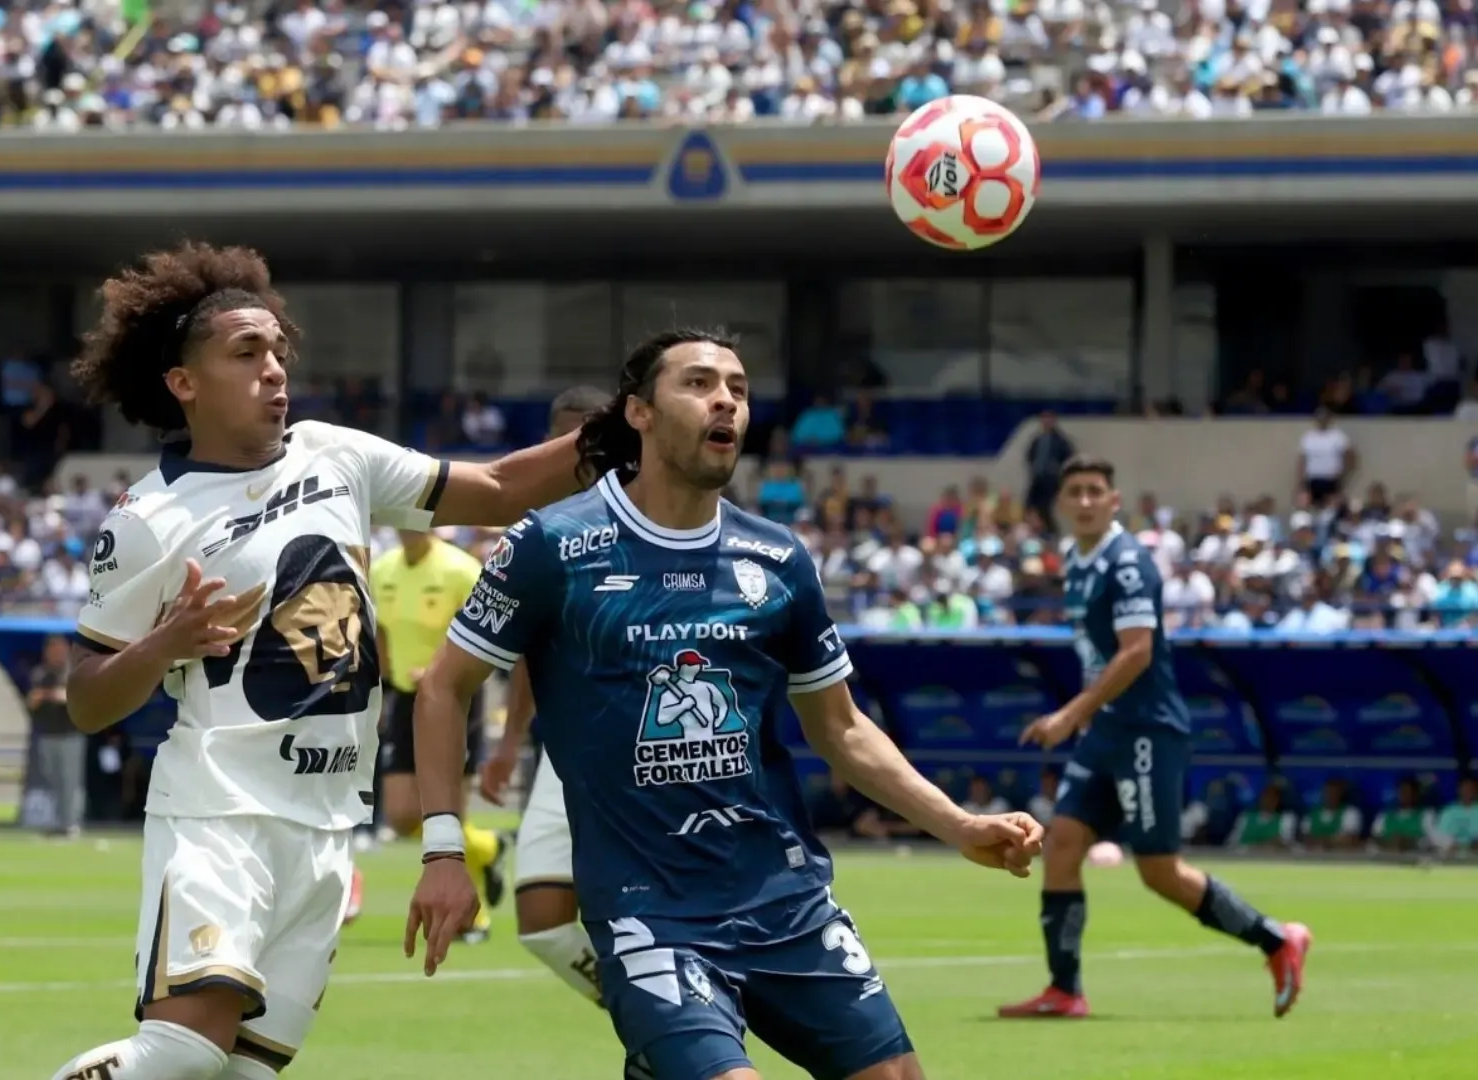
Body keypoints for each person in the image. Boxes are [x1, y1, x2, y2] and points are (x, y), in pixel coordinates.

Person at [407, 329, 1044, 1080]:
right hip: (650, 909)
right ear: (639, 413)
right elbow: (444, 687)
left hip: (785, 898)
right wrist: (444, 851)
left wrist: (959, 823)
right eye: (701, 383)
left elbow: (839, 727)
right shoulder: (553, 545)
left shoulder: (776, 557)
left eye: (738, 390)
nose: (726, 403)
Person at [47, 242, 586, 1080]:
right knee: (183, 1052)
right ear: (183, 384)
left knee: (243, 1073)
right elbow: (84, 699)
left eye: (277, 352)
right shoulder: (149, 520)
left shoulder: (336, 453)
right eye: (245, 353)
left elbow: (504, 488)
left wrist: (633, 423)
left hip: (331, 824)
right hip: (221, 815)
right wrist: (166, 643)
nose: (273, 370)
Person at [998, 455, 1313, 1021]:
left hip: (1147, 730)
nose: (1087, 500)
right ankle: (1065, 990)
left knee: (1159, 871)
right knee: (1063, 843)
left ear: (1114, 501)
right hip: (1109, 728)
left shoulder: (1126, 563)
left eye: (1097, 490)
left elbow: (1137, 650)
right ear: (1063, 504)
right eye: (1076, 491)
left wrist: (1071, 714)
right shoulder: (1076, 560)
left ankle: (1278, 939)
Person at [475, 384, 612, 1006]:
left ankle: (684, 1041)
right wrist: (508, 743)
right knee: (546, 927)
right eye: (566, 440)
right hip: (564, 748)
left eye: (590, 438)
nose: (578, 454)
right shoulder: (538, 533)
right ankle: (662, 1026)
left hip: (640, 746)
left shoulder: (654, 515)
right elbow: (530, 649)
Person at [369, 525, 506, 942]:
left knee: (450, 811)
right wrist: (382, 679)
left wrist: (442, 671)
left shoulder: (461, 569)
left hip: (454, 696)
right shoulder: (382, 568)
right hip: (405, 696)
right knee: (402, 813)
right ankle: (488, 849)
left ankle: (473, 917)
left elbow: (488, 636)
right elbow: (379, 630)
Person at [29, 634, 85, 839]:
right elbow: (33, 700)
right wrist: (49, 695)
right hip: (47, 734)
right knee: (52, 779)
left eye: (60, 649)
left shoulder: (72, 672)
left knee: (69, 781)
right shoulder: (41, 673)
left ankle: (71, 824)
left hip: (70, 735)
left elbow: (70, 698)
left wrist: (50, 695)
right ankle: (58, 822)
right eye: (53, 649)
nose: (57, 654)